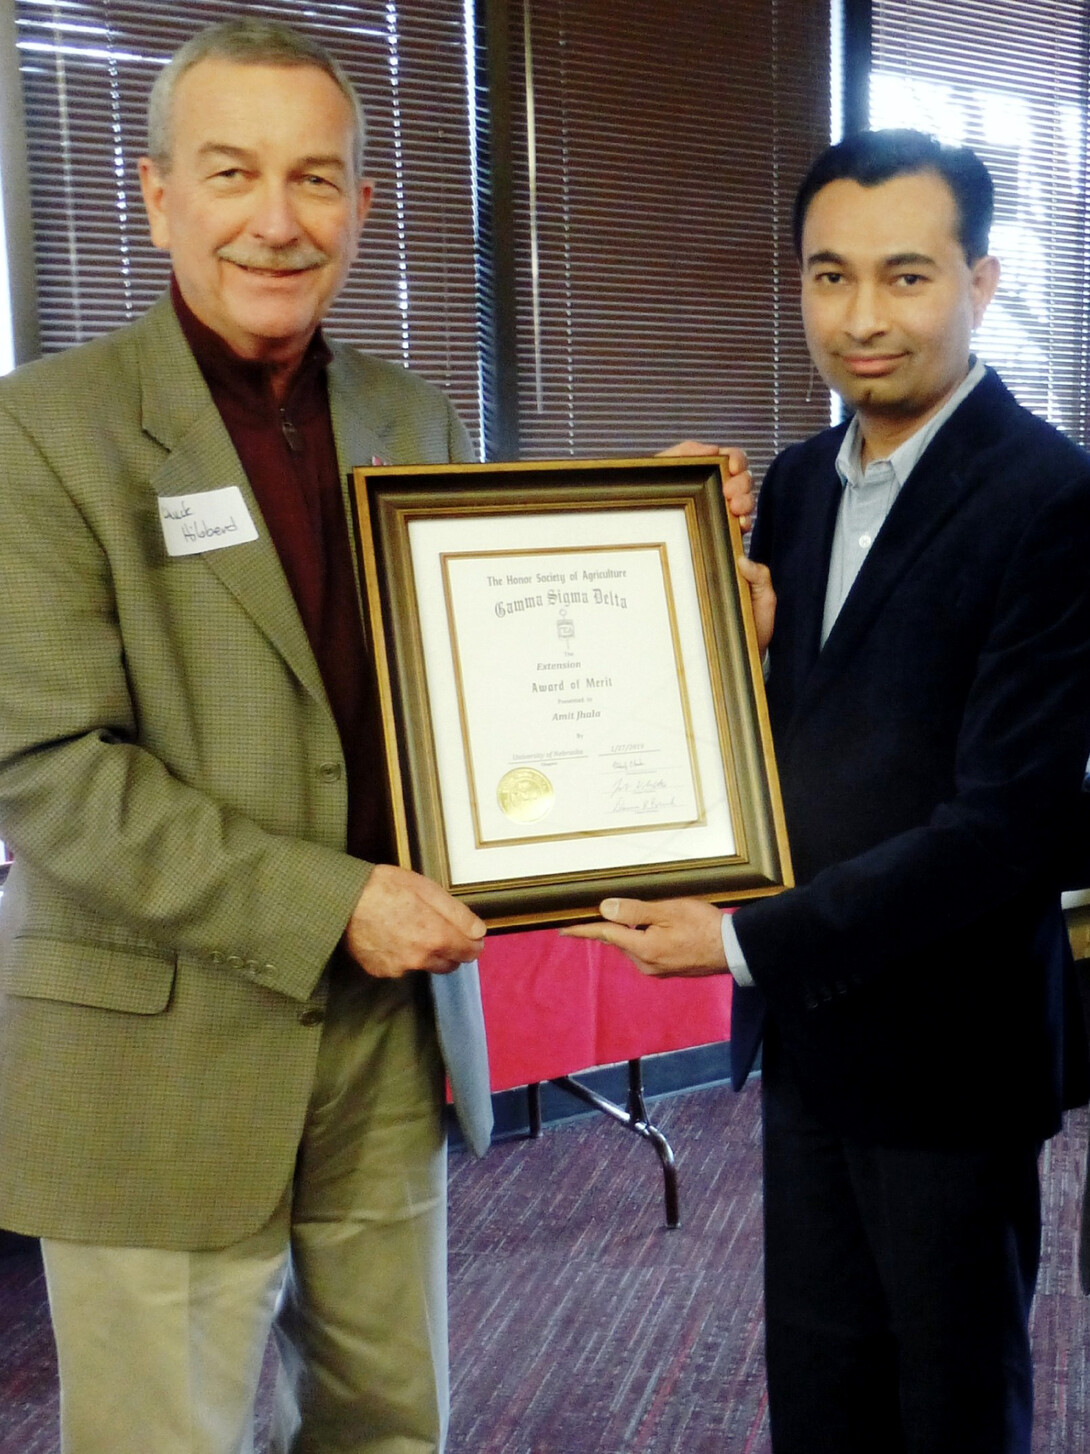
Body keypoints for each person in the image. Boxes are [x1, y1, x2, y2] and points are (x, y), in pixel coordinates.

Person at [0, 20, 753, 1453]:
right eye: (232, 173)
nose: (275, 221)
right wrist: (333, 900)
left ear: (360, 207)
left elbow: (482, 664)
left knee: (390, 1427)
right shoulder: (39, 433)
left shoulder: (405, 416)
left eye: (316, 178)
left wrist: (652, 546)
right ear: (156, 196)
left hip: (382, 1050)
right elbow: (48, 772)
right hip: (162, 1055)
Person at [568, 129, 1090, 1454]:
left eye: (905, 277)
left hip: (950, 1050)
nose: (861, 318)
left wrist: (739, 938)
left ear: (978, 283)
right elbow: (796, 747)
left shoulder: (1049, 497)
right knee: (820, 1387)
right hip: (811, 1040)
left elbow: (1004, 826)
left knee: (951, 1401)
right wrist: (708, 633)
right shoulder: (795, 483)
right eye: (827, 276)